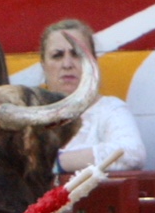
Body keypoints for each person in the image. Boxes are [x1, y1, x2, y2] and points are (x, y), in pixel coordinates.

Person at [37, 18, 146, 172]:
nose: (67, 64)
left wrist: (56, 162)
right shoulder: (30, 111)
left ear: (93, 62)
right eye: (57, 55)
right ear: (43, 64)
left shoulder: (110, 108)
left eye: (77, 54)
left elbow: (133, 153)